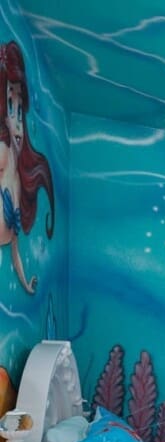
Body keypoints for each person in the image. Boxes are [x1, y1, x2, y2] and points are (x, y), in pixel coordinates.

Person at [0, 41, 54, 294]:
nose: (18, 121)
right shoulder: (3, 153)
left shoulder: (19, 181)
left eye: (20, 108)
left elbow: (15, 248)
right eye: (11, 106)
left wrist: (26, 285)